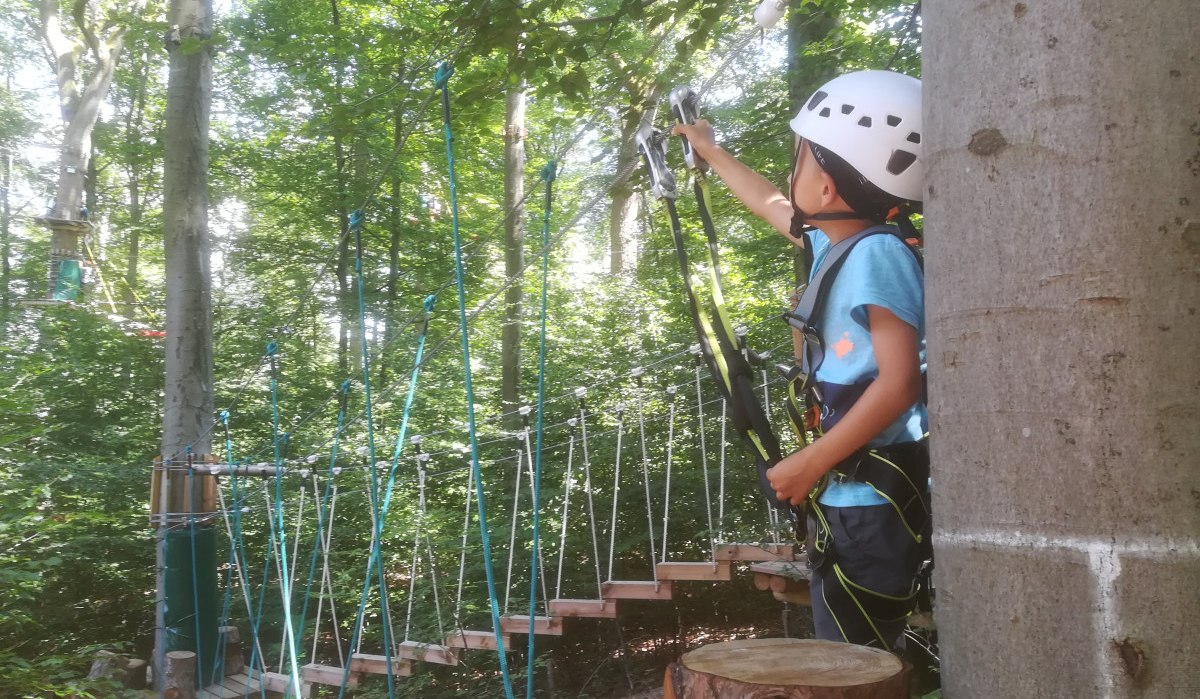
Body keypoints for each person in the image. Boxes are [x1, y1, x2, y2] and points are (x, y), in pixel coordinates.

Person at [674, 70, 930, 649]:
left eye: (801, 160)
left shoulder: (877, 257)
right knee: (843, 647)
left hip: (869, 498)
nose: (792, 175)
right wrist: (711, 152)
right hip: (846, 494)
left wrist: (810, 462)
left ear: (827, 190)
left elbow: (897, 385)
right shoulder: (838, 246)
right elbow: (769, 203)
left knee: (852, 658)